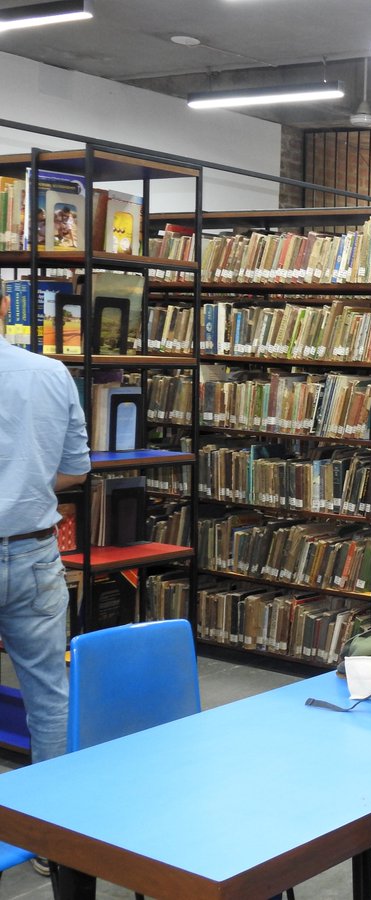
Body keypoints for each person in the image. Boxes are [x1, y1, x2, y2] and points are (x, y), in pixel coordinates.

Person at [0, 291, 90, 879]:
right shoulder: (52, 373)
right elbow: (75, 469)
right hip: (33, 551)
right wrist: (26, 487)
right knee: (48, 694)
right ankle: (50, 839)